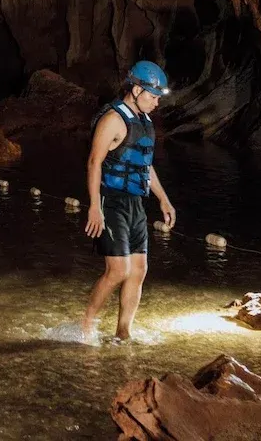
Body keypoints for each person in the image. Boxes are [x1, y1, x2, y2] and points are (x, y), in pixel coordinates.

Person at [82, 61, 177, 341]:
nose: (157, 102)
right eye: (152, 95)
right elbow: (93, 163)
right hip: (111, 201)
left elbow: (145, 166)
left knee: (138, 269)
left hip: (136, 203)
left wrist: (164, 200)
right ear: (136, 89)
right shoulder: (112, 119)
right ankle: (86, 324)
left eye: (158, 97)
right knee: (118, 270)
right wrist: (94, 207)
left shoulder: (146, 124)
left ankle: (123, 332)